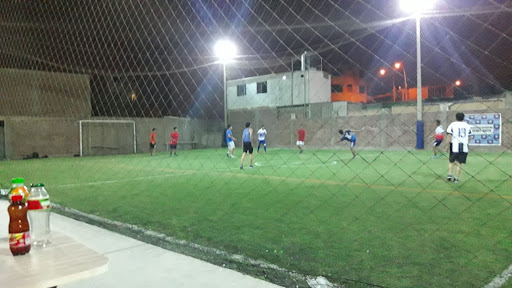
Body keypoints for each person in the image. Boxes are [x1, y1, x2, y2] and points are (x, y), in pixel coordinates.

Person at [446, 112, 472, 183]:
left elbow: (449, 136)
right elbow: (469, 136)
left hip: (454, 145)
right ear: (463, 118)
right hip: (464, 146)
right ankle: (456, 178)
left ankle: (449, 175)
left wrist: (447, 146)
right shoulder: (467, 125)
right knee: (459, 163)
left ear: (456, 117)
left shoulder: (452, 124)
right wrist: (467, 143)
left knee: (451, 161)